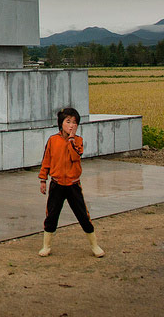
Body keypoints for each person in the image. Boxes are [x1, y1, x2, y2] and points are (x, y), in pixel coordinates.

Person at [38, 107, 105, 258]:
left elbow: (75, 156)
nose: (71, 125)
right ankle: (46, 246)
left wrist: (71, 139)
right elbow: (46, 161)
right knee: (52, 214)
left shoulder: (78, 141)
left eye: (74, 122)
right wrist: (43, 179)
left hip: (73, 185)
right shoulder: (52, 140)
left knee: (82, 214)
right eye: (68, 121)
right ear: (61, 123)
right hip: (57, 184)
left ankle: (94, 245)